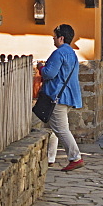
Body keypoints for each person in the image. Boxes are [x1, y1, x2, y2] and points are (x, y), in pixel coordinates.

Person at [39, 24, 84, 171]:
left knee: (61, 129)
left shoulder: (59, 53)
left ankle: (75, 157)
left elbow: (49, 74)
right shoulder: (71, 53)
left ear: (61, 38)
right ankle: (50, 157)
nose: (53, 39)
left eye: (55, 36)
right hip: (69, 96)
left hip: (58, 96)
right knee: (53, 127)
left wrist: (41, 68)